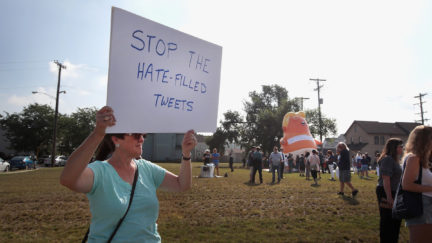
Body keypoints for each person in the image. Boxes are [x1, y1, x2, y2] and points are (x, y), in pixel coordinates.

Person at [59, 106, 197, 242]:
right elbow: (68, 179)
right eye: (136, 135)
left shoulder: (146, 168)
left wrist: (186, 154)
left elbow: (182, 185)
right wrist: (98, 133)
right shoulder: (100, 171)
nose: (142, 139)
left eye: (143, 135)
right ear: (116, 139)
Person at [401, 125, 432, 242]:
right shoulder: (413, 158)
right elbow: (407, 185)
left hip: (426, 206)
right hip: (422, 207)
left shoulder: (421, 159)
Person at [376, 138, 403, 243]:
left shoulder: (394, 160)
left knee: (394, 221)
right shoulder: (388, 159)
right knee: (387, 220)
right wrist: (389, 197)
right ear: (394, 148)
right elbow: (386, 179)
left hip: (392, 191)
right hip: (386, 191)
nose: (402, 148)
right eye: (400, 146)